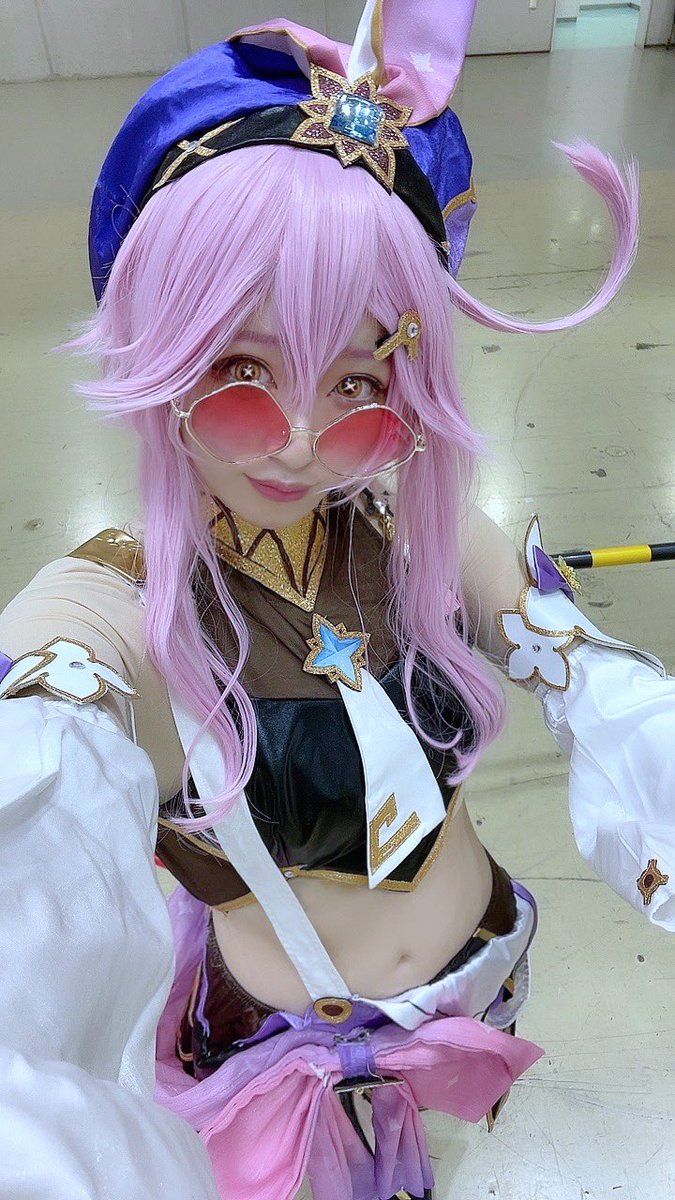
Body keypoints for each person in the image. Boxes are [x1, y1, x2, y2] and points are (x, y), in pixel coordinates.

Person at [1, 4, 673, 1199]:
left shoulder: (424, 538)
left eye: (360, 383)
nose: (303, 439)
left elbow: (597, 677)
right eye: (242, 372)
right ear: (163, 358)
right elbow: (38, 780)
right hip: (276, 1042)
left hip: (472, 985)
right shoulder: (118, 601)